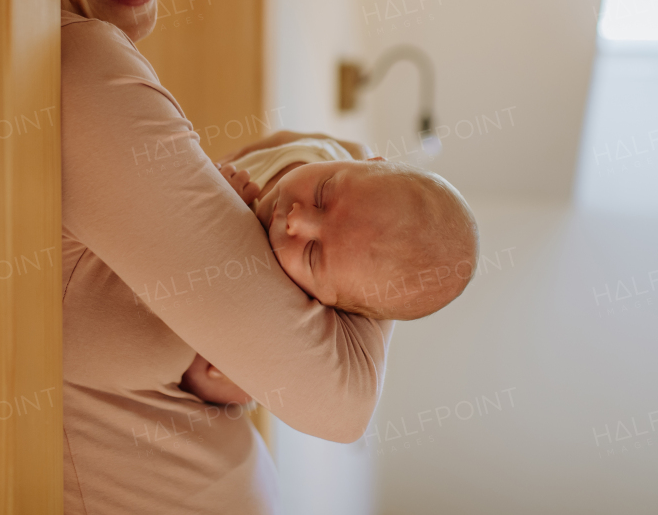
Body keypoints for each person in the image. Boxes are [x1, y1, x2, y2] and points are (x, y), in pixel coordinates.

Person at [59, 0, 393, 515]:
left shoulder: (71, 66)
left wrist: (331, 160)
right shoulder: (81, 67)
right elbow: (338, 399)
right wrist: (382, 232)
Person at [181, 138, 479, 406]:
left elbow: (209, 377)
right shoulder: (316, 150)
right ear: (368, 163)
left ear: (327, 302)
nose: (296, 219)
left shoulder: (281, 299)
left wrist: (213, 213)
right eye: (323, 194)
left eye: (312, 253)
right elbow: (256, 147)